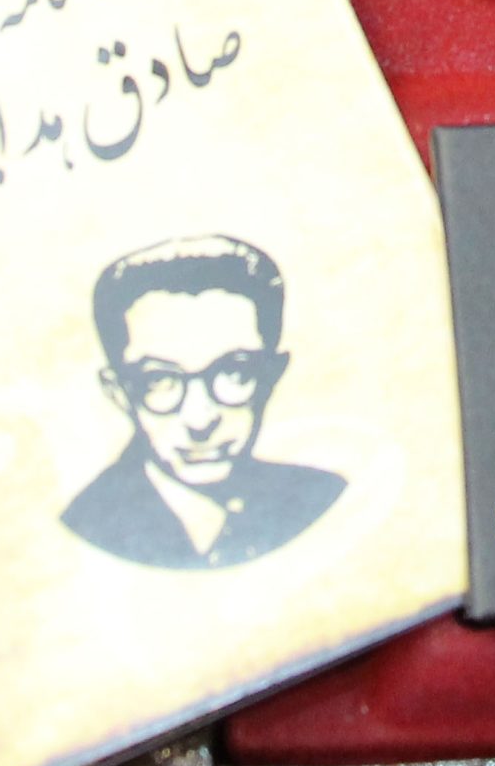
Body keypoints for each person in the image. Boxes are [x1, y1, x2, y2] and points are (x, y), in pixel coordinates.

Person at [59, 234, 343, 570]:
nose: (200, 419)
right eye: (159, 381)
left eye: (234, 372)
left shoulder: (321, 497)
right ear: (118, 392)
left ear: (271, 375)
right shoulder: (87, 526)